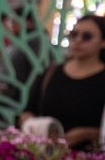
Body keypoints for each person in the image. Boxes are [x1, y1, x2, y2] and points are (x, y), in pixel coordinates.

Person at [20, 14, 105, 149]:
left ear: (102, 42)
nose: (78, 40)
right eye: (74, 34)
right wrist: (33, 127)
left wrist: (87, 134)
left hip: (87, 158)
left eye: (87, 36)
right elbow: (28, 111)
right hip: (42, 155)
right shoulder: (52, 72)